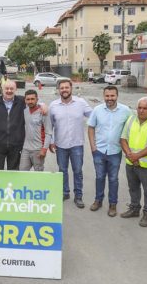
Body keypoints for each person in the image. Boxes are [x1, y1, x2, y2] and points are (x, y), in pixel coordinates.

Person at [120, 97, 147, 227]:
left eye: (145, 108)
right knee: (133, 188)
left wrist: (136, 156)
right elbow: (123, 139)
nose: (141, 110)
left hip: (146, 165)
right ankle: (134, 208)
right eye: (139, 107)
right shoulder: (131, 119)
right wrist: (130, 155)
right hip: (130, 162)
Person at [87, 86, 131, 216]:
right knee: (99, 177)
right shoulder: (97, 110)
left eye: (112, 96)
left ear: (117, 96)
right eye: (107, 96)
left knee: (113, 179)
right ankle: (98, 200)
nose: (109, 98)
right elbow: (90, 128)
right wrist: (93, 147)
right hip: (99, 151)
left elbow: (132, 127)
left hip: (115, 152)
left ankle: (113, 204)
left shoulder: (126, 111)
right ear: (103, 96)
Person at [49, 79, 93, 208]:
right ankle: (65, 192)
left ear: (71, 88)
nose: (64, 90)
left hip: (76, 144)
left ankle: (78, 196)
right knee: (62, 170)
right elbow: (49, 125)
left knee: (78, 170)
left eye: (66, 87)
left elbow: (94, 115)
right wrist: (51, 141)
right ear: (59, 90)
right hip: (60, 144)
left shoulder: (81, 103)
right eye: (62, 88)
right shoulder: (53, 105)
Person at [0, 80, 25, 170]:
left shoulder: (22, 101)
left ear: (16, 89)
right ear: (2, 89)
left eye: (11, 89)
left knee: (14, 172)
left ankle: (12, 184)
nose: (9, 91)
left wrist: (42, 106)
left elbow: (35, 102)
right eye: (6, 88)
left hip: (16, 145)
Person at [19, 89, 52, 171]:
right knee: (22, 173)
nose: (30, 101)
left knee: (38, 175)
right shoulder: (25, 111)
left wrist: (44, 149)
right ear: (25, 100)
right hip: (25, 149)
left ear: (37, 99)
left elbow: (48, 132)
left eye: (32, 99)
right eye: (28, 99)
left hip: (38, 149)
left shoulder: (43, 112)